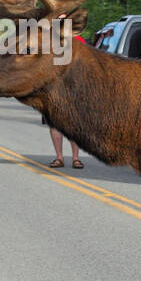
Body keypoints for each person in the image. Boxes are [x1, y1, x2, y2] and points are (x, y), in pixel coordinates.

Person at [46, 11, 85, 169]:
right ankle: (59, 157)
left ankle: (76, 158)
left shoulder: (78, 41)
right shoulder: (48, 42)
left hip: (73, 88)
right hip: (53, 88)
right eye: (59, 22)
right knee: (55, 125)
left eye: (64, 22)